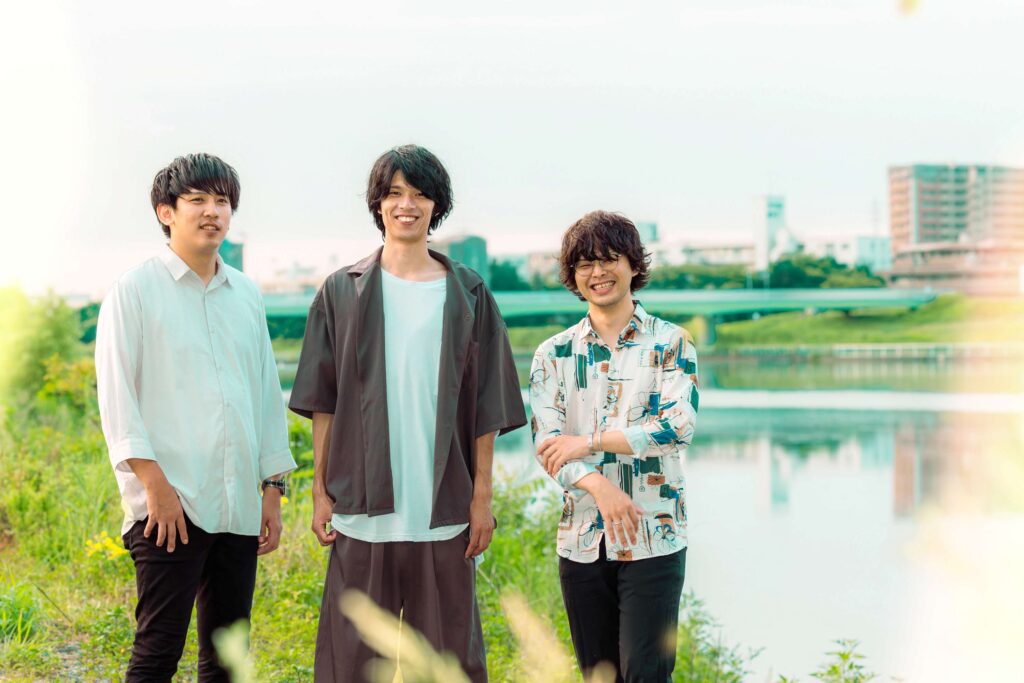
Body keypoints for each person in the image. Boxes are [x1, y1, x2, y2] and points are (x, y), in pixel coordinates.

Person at [289, 144, 526, 682]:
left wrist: (481, 497)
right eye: (394, 193)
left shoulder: (468, 293)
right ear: (377, 204)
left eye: (420, 194)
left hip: (443, 511)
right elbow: (323, 400)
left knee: (448, 666)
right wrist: (319, 490)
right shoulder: (340, 291)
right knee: (351, 666)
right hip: (361, 510)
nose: (407, 205)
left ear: (437, 206)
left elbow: (487, 408)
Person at [95, 153, 296, 682]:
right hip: (170, 504)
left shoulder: (245, 294)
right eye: (198, 200)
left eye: (222, 201)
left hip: (236, 504)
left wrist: (272, 487)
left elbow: (264, 393)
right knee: (158, 652)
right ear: (166, 212)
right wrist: (153, 487)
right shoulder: (134, 291)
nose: (213, 212)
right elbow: (117, 399)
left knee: (228, 657)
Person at [529, 210, 699, 682]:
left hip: (654, 538)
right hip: (582, 540)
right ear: (573, 275)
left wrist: (588, 442)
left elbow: (677, 427)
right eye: (585, 264)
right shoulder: (553, 354)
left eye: (609, 259)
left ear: (633, 264)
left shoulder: (672, 343)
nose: (597, 272)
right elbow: (548, 446)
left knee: (646, 674)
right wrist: (599, 487)